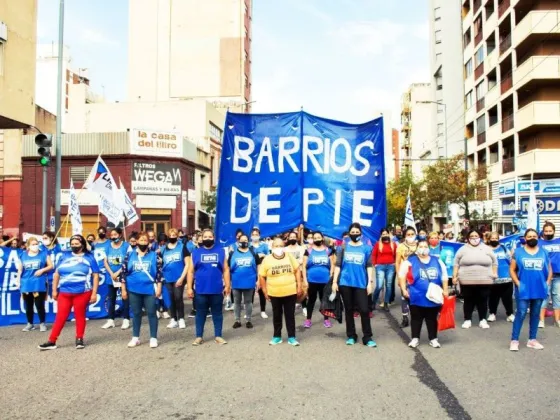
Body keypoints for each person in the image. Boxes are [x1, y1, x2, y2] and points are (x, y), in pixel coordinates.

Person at [38, 235, 100, 350]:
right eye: (72, 244)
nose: (74, 246)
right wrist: (54, 290)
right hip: (64, 292)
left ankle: (79, 339)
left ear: (82, 244)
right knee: (60, 317)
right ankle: (52, 341)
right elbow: (57, 273)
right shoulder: (64, 256)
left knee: (80, 316)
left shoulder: (90, 257)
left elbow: (95, 276)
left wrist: (94, 293)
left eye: (77, 244)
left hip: (82, 292)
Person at [332, 223, 376, 347]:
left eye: (357, 232)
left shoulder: (367, 249)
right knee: (349, 309)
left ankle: (367, 337)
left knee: (364, 309)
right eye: (353, 232)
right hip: (345, 283)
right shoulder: (343, 248)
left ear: (361, 234)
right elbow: (338, 265)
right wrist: (335, 282)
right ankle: (351, 335)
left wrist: (369, 283)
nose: (355, 234)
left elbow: (369, 266)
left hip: (361, 283)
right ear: (349, 233)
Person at [399, 239, 449, 348]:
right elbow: (402, 275)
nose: (423, 248)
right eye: (420, 246)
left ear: (429, 248)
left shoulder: (437, 261)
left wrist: (445, 290)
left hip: (434, 295)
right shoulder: (410, 261)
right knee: (416, 318)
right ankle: (415, 338)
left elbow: (444, 276)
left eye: (425, 246)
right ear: (417, 248)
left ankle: (433, 338)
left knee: (431, 318)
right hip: (416, 295)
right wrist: (403, 289)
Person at [509, 228, 552, 351]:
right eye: (529, 236)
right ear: (525, 238)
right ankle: (514, 340)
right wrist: (517, 283)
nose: (532, 238)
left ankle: (532, 340)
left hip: (539, 288)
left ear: (538, 238)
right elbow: (512, 269)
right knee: (521, 313)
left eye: (534, 236)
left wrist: (547, 282)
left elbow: (549, 269)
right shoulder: (518, 252)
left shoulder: (544, 252)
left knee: (535, 314)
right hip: (523, 288)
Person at [187, 229, 231, 346]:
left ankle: (218, 336)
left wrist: (227, 285)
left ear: (213, 238)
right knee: (200, 314)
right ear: (201, 238)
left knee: (217, 313)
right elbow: (190, 272)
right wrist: (189, 288)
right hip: (200, 290)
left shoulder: (221, 252)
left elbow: (226, 269)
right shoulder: (195, 253)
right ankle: (199, 336)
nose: (207, 239)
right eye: (205, 236)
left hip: (217, 289)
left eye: (210, 236)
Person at [121, 231, 162, 348]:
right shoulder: (129, 255)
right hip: (133, 289)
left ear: (148, 242)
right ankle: (135, 337)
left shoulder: (154, 255)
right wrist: (123, 289)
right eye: (141, 240)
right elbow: (123, 273)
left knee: (151, 313)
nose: (143, 242)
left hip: (149, 289)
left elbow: (159, 273)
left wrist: (159, 287)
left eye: (145, 240)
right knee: (136, 313)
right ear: (137, 241)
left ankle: (153, 337)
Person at [259, 238, 303, 346]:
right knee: (277, 315)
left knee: (290, 315)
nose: (278, 248)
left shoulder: (289, 256)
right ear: (272, 247)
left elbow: (297, 270)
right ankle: (277, 336)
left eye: (280, 246)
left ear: (284, 247)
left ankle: (292, 337)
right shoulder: (267, 259)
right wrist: (265, 291)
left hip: (290, 291)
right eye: (276, 246)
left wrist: (299, 285)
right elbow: (261, 276)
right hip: (274, 293)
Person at [452, 229, 498, 329]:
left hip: (485, 279)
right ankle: (467, 319)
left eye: (476, 236)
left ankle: (483, 319)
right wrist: (454, 276)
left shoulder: (487, 248)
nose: (474, 238)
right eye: (472, 236)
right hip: (466, 280)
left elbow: (494, 262)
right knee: (469, 300)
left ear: (480, 237)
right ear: (468, 238)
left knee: (483, 299)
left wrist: (494, 273)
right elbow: (456, 263)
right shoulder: (462, 249)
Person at [17, 237, 53, 332]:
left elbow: (51, 266)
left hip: (39, 283)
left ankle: (42, 323)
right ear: (28, 246)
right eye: (33, 244)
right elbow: (20, 270)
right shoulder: (22, 256)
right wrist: (18, 280)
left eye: (36, 243)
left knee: (39, 304)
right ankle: (30, 323)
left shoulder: (44, 254)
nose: (35, 246)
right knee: (28, 305)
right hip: (26, 283)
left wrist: (42, 270)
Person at [302, 231, 334, 328]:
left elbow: (333, 264)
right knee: (311, 300)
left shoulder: (328, 250)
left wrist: (331, 277)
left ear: (322, 238)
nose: (316, 239)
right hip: (312, 280)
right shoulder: (308, 251)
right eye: (314, 238)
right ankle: (308, 320)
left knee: (324, 300)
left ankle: (326, 319)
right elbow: (303, 266)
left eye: (318, 237)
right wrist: (305, 279)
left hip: (325, 280)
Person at [102, 228, 130, 330]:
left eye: (115, 234)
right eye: (112, 235)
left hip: (123, 277)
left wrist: (118, 273)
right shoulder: (107, 247)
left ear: (120, 235)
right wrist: (111, 273)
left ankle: (126, 319)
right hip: (111, 277)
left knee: (125, 298)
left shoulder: (126, 246)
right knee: (111, 298)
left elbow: (127, 261)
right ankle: (111, 320)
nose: (113, 236)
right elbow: (105, 262)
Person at [161, 228, 190, 329]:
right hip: (167, 277)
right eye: (171, 235)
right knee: (171, 298)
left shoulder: (182, 247)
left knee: (178, 297)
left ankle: (181, 318)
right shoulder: (163, 249)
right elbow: (160, 261)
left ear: (177, 236)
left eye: (174, 235)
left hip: (179, 277)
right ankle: (174, 319)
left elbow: (187, 264)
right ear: (168, 236)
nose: (172, 237)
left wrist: (182, 278)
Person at [229, 234, 259, 329]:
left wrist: (258, 279)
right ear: (238, 241)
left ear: (248, 241)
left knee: (248, 301)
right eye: (242, 240)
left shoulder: (253, 252)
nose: (244, 242)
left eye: (245, 240)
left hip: (249, 281)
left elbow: (258, 265)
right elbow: (228, 267)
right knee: (237, 302)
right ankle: (237, 320)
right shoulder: (232, 253)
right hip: (236, 282)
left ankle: (248, 320)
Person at [486, 232, 514, 323]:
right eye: (492, 238)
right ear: (489, 239)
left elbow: (511, 261)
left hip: (506, 278)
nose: (494, 240)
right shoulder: (486, 250)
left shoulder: (504, 248)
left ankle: (510, 314)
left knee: (507, 298)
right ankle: (492, 313)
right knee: (493, 298)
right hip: (492, 279)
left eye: (496, 238)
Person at [395, 227, 418, 327]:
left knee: (416, 296)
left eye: (412, 234)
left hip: (417, 274)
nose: (410, 236)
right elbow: (397, 262)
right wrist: (399, 277)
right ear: (405, 236)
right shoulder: (400, 246)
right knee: (405, 296)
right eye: (408, 235)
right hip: (405, 275)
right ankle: (405, 318)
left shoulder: (420, 245)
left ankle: (417, 317)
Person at [539, 222, 560, 328]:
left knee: (557, 297)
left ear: (554, 231)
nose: (548, 233)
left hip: (558, 275)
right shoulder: (539, 243)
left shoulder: (559, 241)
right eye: (546, 231)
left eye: (550, 231)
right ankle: (541, 320)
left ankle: (557, 320)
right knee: (544, 296)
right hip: (544, 275)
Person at [372, 228, 396, 311]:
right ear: (381, 235)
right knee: (379, 286)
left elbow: (397, 254)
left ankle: (386, 303)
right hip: (380, 267)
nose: (385, 235)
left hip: (390, 266)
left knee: (389, 286)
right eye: (383, 234)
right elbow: (374, 255)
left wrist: (395, 263)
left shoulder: (393, 244)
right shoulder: (378, 244)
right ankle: (373, 302)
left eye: (386, 234)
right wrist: (375, 264)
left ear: (389, 234)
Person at [250, 227, 270, 319]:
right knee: (250, 292)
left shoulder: (264, 246)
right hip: (251, 272)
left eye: (256, 235)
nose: (255, 236)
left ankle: (263, 311)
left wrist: (264, 255)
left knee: (262, 291)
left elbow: (270, 257)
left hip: (262, 271)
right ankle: (249, 312)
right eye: (253, 235)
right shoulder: (249, 246)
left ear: (259, 236)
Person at [41, 231, 62, 299]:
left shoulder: (58, 247)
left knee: (57, 296)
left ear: (52, 238)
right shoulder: (41, 248)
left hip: (57, 275)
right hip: (45, 276)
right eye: (43, 238)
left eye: (46, 238)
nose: (44, 240)